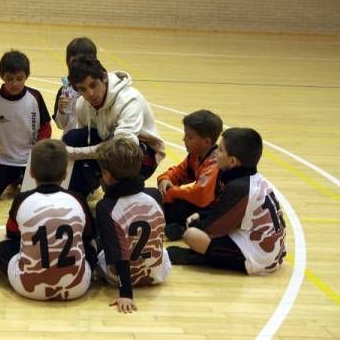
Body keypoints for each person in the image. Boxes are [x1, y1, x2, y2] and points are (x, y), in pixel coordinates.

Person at [0, 139, 97, 301]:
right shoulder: (77, 199)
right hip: (77, 288)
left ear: (30, 172)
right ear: (65, 173)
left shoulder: (22, 199)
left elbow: (12, 234)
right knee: (93, 242)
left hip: (28, 288)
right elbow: (88, 236)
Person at [167, 128, 286, 275]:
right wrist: (201, 216)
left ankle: (200, 258)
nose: (216, 153)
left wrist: (196, 223)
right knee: (197, 222)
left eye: (221, 150)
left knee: (192, 235)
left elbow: (214, 229)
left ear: (232, 161)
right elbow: (223, 211)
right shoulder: (252, 179)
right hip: (267, 246)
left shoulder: (239, 188)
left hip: (260, 257)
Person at [63, 55, 165, 198]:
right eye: (83, 89)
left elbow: (121, 149)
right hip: (109, 144)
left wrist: (74, 152)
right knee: (73, 137)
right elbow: (86, 138)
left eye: (93, 85)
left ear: (104, 77)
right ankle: (76, 197)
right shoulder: (82, 104)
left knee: (119, 157)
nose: (90, 94)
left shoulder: (128, 100)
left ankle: (121, 197)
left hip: (140, 153)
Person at [95, 138, 171, 314]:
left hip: (120, 277)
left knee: (98, 247)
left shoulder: (106, 206)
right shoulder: (154, 195)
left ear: (106, 175)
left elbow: (117, 253)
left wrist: (126, 294)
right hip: (159, 273)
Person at [0, 50, 52, 201]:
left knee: (39, 194)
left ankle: (19, 179)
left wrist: (37, 156)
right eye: (9, 79)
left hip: (30, 161)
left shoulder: (35, 97)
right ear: (2, 77)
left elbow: (46, 128)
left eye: (19, 78)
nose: (15, 84)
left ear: (26, 76)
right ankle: (13, 179)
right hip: (4, 160)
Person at [157, 110, 222, 240]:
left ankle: (183, 228)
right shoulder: (196, 155)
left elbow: (200, 195)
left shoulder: (215, 162)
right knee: (157, 197)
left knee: (170, 208)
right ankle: (181, 227)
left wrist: (172, 192)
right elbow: (179, 172)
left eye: (189, 137)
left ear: (207, 141)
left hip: (214, 210)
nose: (184, 139)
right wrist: (165, 179)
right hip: (200, 204)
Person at [52, 37, 98, 135]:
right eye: (74, 61)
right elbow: (61, 125)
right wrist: (61, 111)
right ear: (68, 62)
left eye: (83, 61)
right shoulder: (65, 90)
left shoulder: (100, 89)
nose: (79, 66)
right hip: (70, 143)